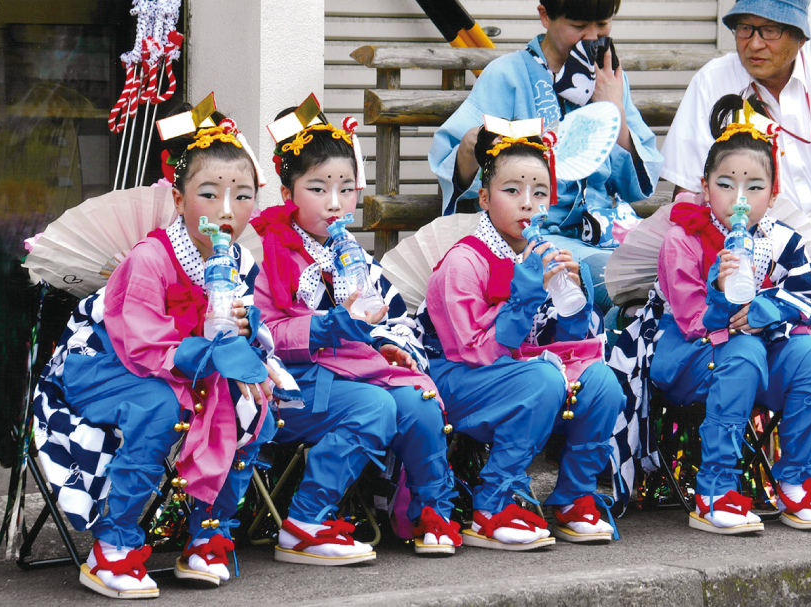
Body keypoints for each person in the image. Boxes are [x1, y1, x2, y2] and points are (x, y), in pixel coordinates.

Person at [33, 116, 287, 598]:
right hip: (111, 363)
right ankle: (112, 543)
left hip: (189, 364)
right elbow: (143, 343)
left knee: (252, 407)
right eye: (209, 193)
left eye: (243, 194)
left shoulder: (239, 263)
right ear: (177, 199)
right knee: (162, 407)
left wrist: (249, 339)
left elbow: (246, 336)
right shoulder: (150, 257)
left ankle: (206, 531)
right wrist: (217, 355)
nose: (227, 209)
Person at [660, 0, 811, 460]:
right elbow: (685, 194)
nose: (754, 43)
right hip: (753, 255)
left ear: (800, 36)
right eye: (744, 29)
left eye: (770, 31)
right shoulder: (714, 81)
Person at [252, 103, 460, 565]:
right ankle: (307, 519)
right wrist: (334, 324)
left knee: (419, 401)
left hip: (348, 372)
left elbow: (389, 318)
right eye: (318, 188)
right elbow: (264, 332)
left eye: (346, 189)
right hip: (291, 383)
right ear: (287, 191)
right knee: (378, 406)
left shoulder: (352, 253)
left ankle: (430, 512)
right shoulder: (269, 252)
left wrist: (384, 344)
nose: (335, 202)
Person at [624, 95, 811, 534]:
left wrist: (770, 308)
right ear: (705, 188)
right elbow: (691, 320)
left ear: (774, 191)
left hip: (759, 351)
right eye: (726, 184)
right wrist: (723, 295)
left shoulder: (783, 239)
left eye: (755, 187)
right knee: (742, 352)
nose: (739, 198)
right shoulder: (682, 240)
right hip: (690, 357)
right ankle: (714, 487)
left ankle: (795, 480)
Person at [422, 123, 625, 549]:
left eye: (538, 192)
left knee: (603, 382)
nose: (527, 204)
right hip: (459, 378)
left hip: (528, 375)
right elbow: (476, 351)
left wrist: (576, 299)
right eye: (512, 190)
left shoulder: (541, 255)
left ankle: (573, 497)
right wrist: (527, 290)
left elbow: (566, 345)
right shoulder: (464, 262)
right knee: (544, 379)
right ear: (483, 197)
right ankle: (493, 502)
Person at [429, 0, 662, 313]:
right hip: (532, 237)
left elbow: (636, 185)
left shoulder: (608, 77)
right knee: (617, 280)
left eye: (603, 24)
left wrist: (615, 110)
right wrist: (472, 146)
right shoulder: (507, 75)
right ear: (544, 16)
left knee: (670, 267)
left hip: (607, 233)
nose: (591, 37)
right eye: (578, 27)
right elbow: (456, 159)